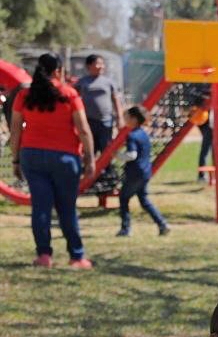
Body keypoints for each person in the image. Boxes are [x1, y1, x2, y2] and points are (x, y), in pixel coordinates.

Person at [9, 53, 96, 269]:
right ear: (58, 71)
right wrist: (90, 158)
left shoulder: (25, 95)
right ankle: (76, 256)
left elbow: (15, 129)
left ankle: (44, 255)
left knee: (40, 208)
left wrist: (16, 160)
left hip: (32, 155)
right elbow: (84, 130)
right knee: (67, 208)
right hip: (65, 157)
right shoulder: (69, 94)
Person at [116, 106, 169, 238]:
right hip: (145, 171)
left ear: (134, 119)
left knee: (123, 198)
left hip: (135, 172)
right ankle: (162, 224)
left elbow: (132, 155)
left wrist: (117, 155)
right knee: (144, 199)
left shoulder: (132, 135)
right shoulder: (144, 134)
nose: (125, 120)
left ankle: (125, 229)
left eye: (126, 117)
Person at [73, 54, 124, 190]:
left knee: (106, 150)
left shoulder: (109, 82)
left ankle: (109, 179)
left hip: (105, 122)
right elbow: (73, 99)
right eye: (97, 63)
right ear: (89, 66)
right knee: (90, 151)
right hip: (88, 123)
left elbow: (116, 100)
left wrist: (120, 117)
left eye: (102, 64)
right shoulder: (82, 82)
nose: (101, 66)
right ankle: (89, 180)